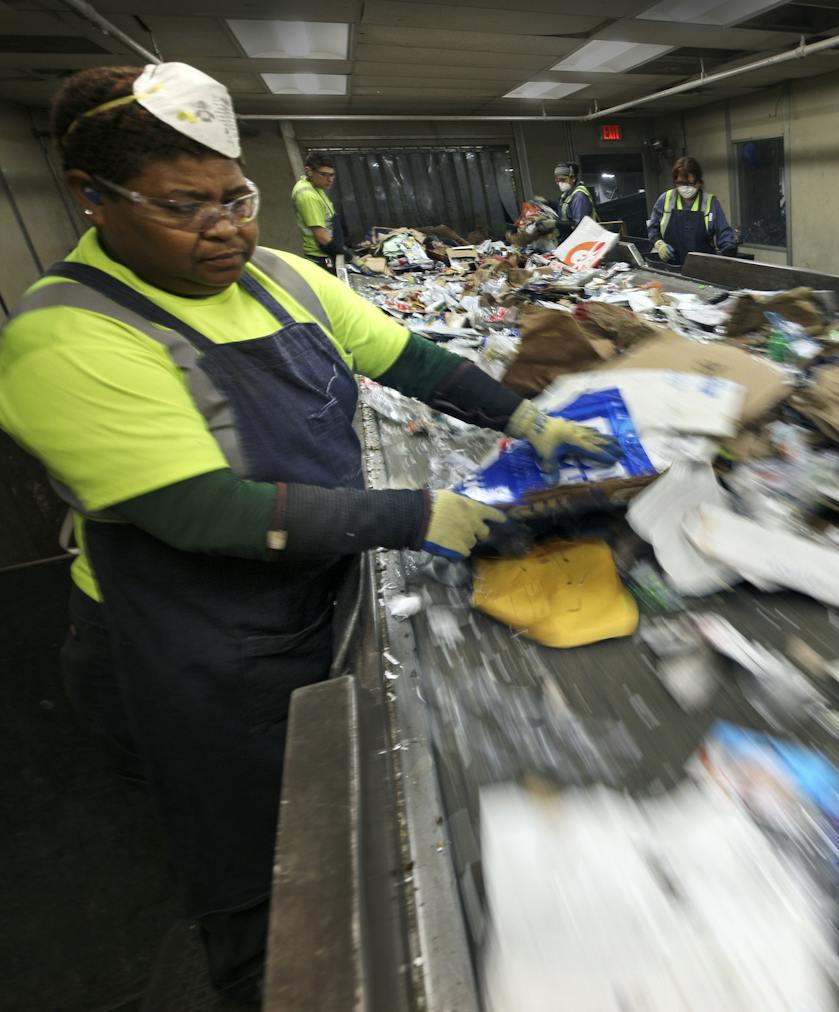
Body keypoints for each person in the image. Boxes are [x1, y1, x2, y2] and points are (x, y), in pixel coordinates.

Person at [0, 63, 616, 1003]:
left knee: (339, 813)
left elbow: (411, 357)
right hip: (188, 642)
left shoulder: (281, 276)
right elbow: (199, 512)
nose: (226, 229)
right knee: (268, 878)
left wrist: (521, 417)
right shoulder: (66, 333)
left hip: (304, 582)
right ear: (93, 199)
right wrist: (422, 514)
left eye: (235, 198)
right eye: (183, 207)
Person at [647, 155, 737, 267]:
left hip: (703, 269)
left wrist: (728, 253)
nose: (685, 188)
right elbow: (652, 228)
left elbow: (724, 234)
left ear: (699, 182)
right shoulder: (665, 200)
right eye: (680, 183)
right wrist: (659, 244)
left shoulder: (709, 202)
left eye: (690, 183)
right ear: (675, 182)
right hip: (671, 267)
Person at [291, 151, 345, 272]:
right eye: (324, 174)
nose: (330, 179)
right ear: (309, 171)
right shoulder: (307, 195)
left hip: (330, 251)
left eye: (332, 175)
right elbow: (321, 236)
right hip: (322, 256)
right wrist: (348, 256)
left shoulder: (316, 187)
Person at [554, 161, 597, 227]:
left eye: (563, 180)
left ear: (573, 178)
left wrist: (555, 223)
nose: (560, 183)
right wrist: (548, 202)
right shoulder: (567, 194)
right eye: (557, 180)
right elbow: (564, 208)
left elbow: (580, 225)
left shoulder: (579, 196)